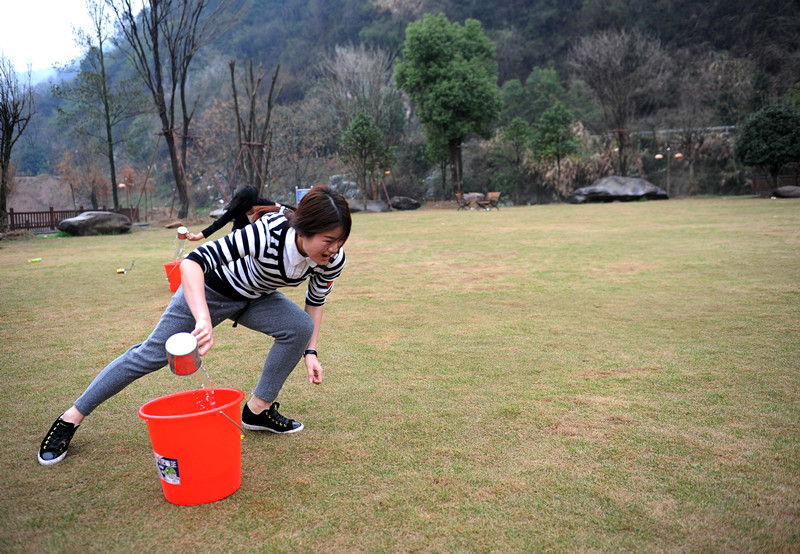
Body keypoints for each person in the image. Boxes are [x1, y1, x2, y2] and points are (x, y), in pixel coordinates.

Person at [38, 185, 351, 466]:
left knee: (299, 327)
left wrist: (311, 352)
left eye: (339, 241)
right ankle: (70, 418)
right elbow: (192, 263)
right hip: (210, 291)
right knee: (150, 355)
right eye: (328, 241)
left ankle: (257, 411)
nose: (333, 249)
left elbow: (316, 302)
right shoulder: (267, 234)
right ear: (304, 230)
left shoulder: (332, 259)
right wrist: (203, 318)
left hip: (256, 297)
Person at [186, 185, 292, 242]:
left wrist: (296, 211)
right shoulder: (235, 209)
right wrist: (197, 237)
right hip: (238, 238)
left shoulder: (259, 202)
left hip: (256, 239)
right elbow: (218, 224)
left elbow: (279, 206)